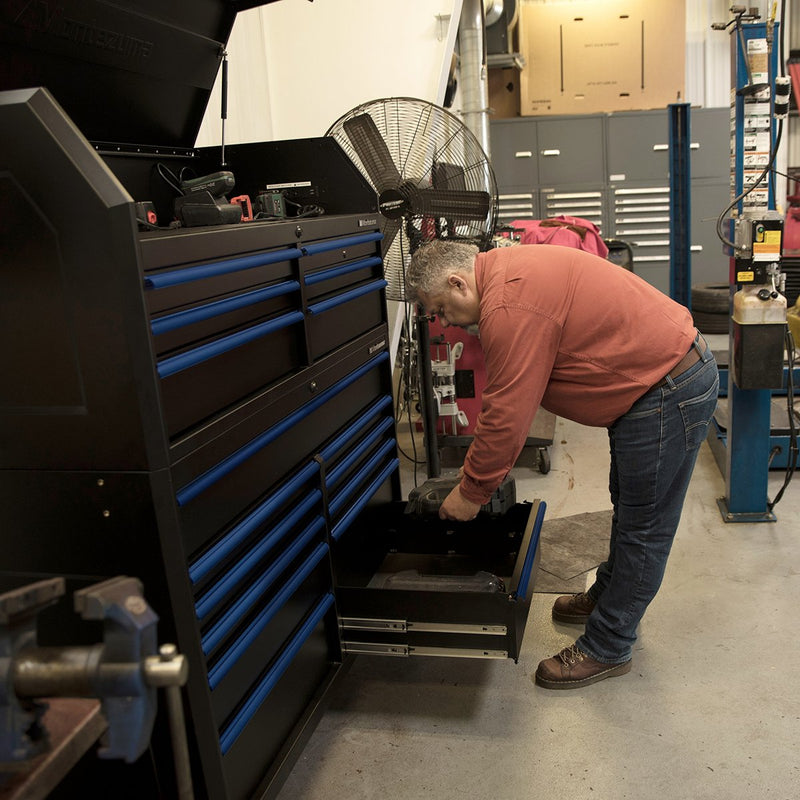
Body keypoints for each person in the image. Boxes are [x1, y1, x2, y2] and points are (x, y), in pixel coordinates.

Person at [405, 239, 719, 689]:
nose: (444, 321)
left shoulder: (508, 304)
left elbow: (507, 413)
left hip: (665, 389)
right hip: (650, 386)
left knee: (644, 527)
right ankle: (609, 597)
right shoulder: (506, 270)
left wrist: (471, 491)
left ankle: (609, 646)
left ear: (458, 281)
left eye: (441, 308)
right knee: (629, 508)